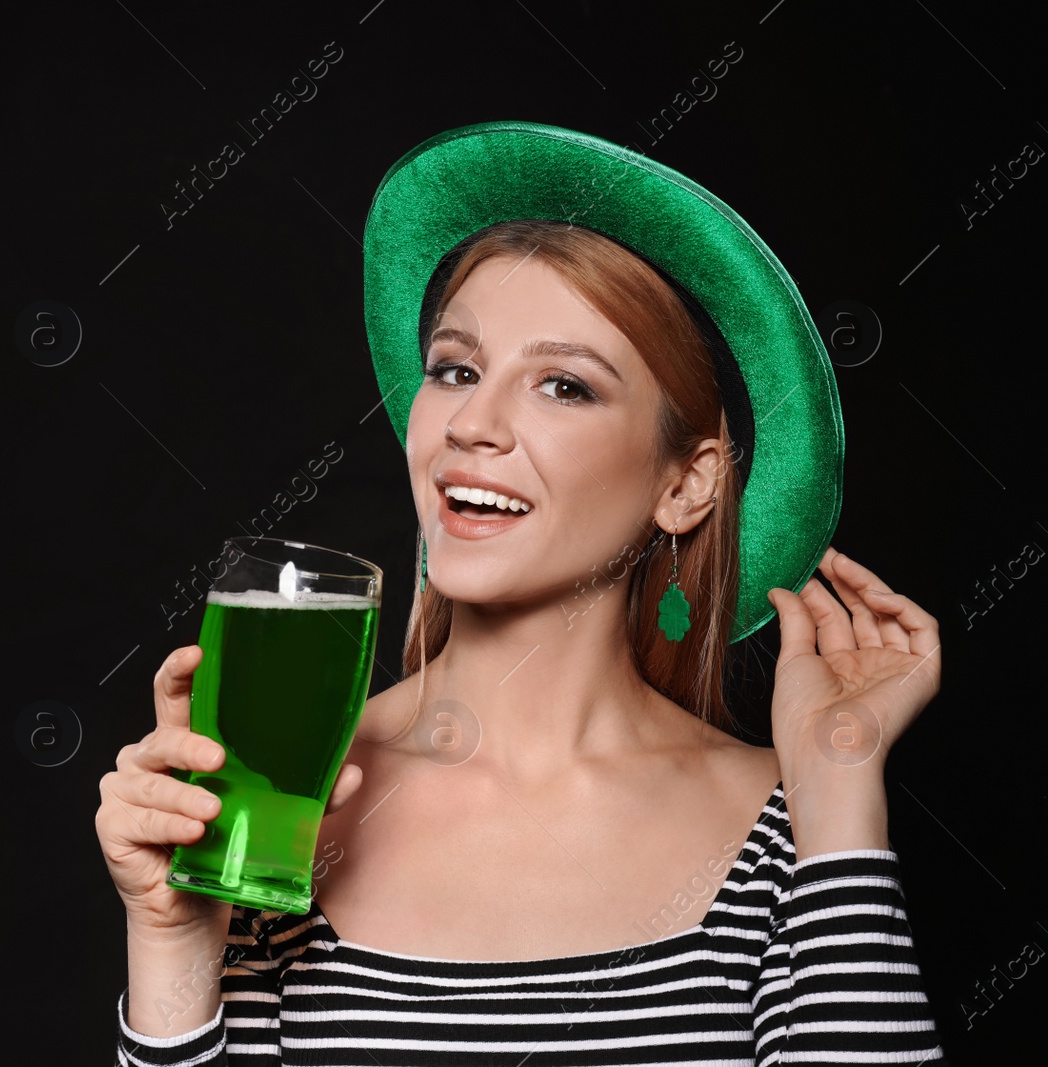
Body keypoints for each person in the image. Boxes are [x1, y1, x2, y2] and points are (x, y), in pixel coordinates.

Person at [98, 121, 947, 1064]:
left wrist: (840, 789)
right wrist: (172, 941)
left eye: (563, 386)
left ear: (686, 484)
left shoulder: (793, 831)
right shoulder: (283, 799)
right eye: (457, 370)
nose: (473, 422)